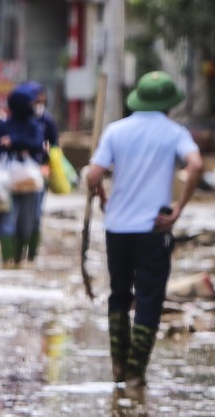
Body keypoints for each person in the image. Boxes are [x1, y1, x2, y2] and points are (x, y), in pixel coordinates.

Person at [84, 71, 204, 384]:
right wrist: (178, 210)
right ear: (168, 103)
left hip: (117, 228)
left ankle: (118, 368)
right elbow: (196, 165)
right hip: (154, 229)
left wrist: (103, 198)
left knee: (119, 295)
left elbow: (92, 175)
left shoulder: (115, 130)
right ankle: (136, 371)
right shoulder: (175, 133)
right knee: (149, 298)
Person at [0, 85, 50, 265]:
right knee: (20, 218)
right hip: (18, 179)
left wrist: (14, 141)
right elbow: (36, 146)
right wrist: (23, 145)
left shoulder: (11, 125)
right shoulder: (30, 126)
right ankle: (14, 259)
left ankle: (14, 259)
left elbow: (37, 145)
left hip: (21, 179)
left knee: (22, 219)